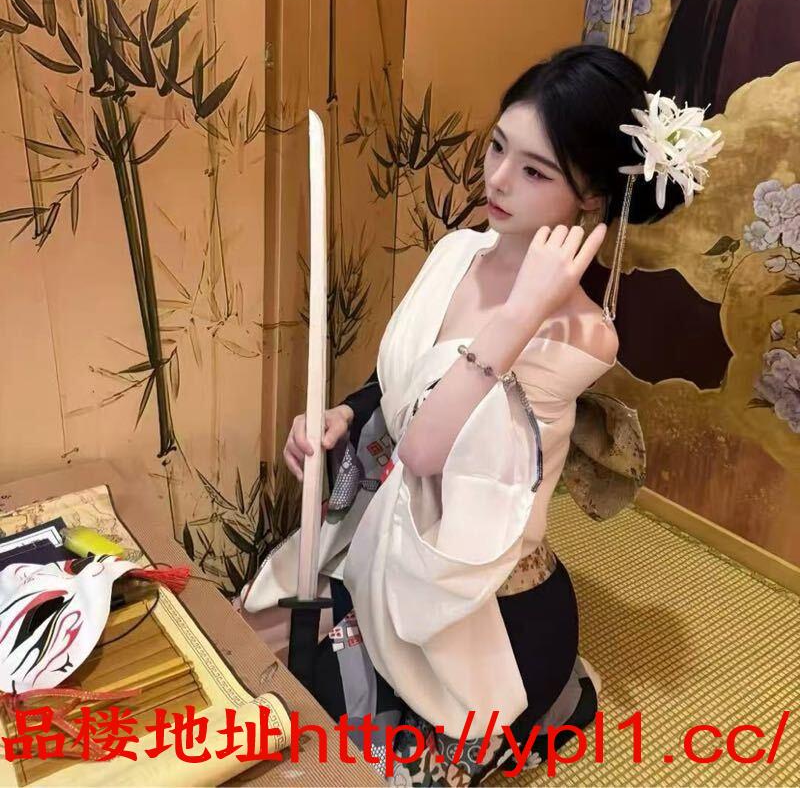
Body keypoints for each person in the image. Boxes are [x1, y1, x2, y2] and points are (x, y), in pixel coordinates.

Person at [240, 44, 722, 785]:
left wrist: (522, 312)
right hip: (389, 542)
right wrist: (341, 415)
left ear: (592, 197)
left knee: (350, 763)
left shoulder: (582, 334)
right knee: (255, 659)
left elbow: (426, 449)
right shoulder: (458, 250)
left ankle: (548, 702)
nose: (496, 179)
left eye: (535, 171)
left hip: (481, 607)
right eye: (498, 146)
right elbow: (403, 383)